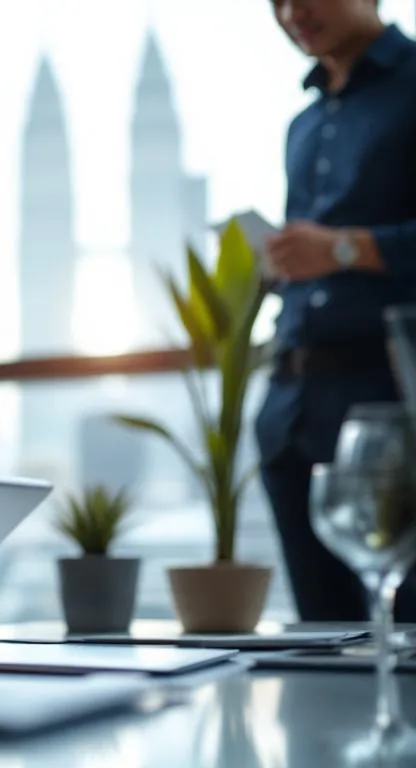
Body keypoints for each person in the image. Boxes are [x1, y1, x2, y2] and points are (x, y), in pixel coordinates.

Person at [256, 1, 416, 621]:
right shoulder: (304, 124)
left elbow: (342, 253)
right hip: (292, 413)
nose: (293, 11)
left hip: (390, 412)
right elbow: (320, 267)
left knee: (405, 653)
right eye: (275, 1)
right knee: (322, 652)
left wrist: (346, 248)